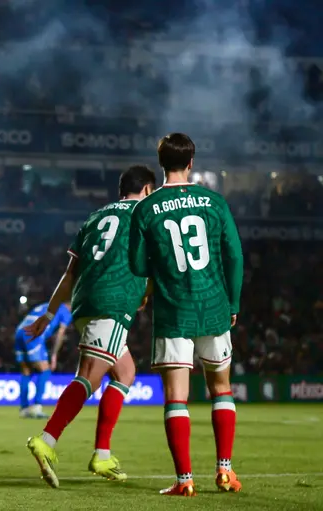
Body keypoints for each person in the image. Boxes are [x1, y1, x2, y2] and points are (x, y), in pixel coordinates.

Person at [26, 165, 157, 488]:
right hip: (112, 302)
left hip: (85, 302)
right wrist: (147, 291)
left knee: (125, 372)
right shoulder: (145, 215)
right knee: (88, 376)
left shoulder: (94, 218)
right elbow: (156, 260)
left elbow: (70, 272)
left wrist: (49, 312)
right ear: (148, 190)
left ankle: (101, 454)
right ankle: (47, 438)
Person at [128, 133, 243, 497]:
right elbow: (235, 257)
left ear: (161, 163)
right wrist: (234, 304)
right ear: (191, 163)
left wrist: (158, 272)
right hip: (213, 306)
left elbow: (136, 263)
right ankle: (224, 471)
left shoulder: (145, 208)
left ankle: (184, 480)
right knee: (220, 388)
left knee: (176, 397)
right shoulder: (214, 202)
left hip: (173, 308)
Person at [15, 302, 71, 419]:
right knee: (45, 370)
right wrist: (54, 354)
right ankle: (37, 407)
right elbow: (61, 333)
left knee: (26, 372)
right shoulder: (66, 311)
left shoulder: (49, 304)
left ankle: (24, 409)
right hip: (33, 332)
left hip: (20, 330)